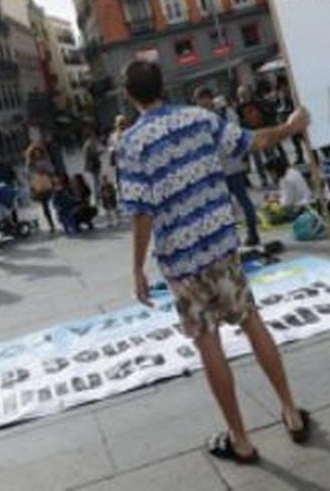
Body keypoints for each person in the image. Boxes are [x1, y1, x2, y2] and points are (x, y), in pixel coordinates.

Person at [117, 60, 311, 464]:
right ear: (163, 86)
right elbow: (253, 141)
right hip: (220, 244)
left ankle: (240, 439)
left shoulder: (132, 143)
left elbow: (141, 211)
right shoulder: (198, 118)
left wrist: (137, 267)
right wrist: (291, 127)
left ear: (130, 96)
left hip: (182, 261)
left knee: (208, 343)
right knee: (251, 320)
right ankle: (291, 412)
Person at [196, 87, 260, 246]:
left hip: (232, 166)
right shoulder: (198, 119)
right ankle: (233, 240)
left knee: (244, 202)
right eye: (200, 103)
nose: (203, 105)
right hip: (215, 171)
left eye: (205, 101)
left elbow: (236, 134)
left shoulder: (226, 113)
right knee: (224, 209)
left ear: (211, 99)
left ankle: (253, 234)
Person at [24, 141, 58, 233]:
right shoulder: (30, 164)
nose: (37, 154)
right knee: (45, 206)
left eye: (38, 152)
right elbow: (27, 175)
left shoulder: (45, 160)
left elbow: (52, 170)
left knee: (55, 202)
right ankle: (51, 224)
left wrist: (47, 172)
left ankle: (59, 218)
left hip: (48, 184)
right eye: (35, 153)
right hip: (39, 187)